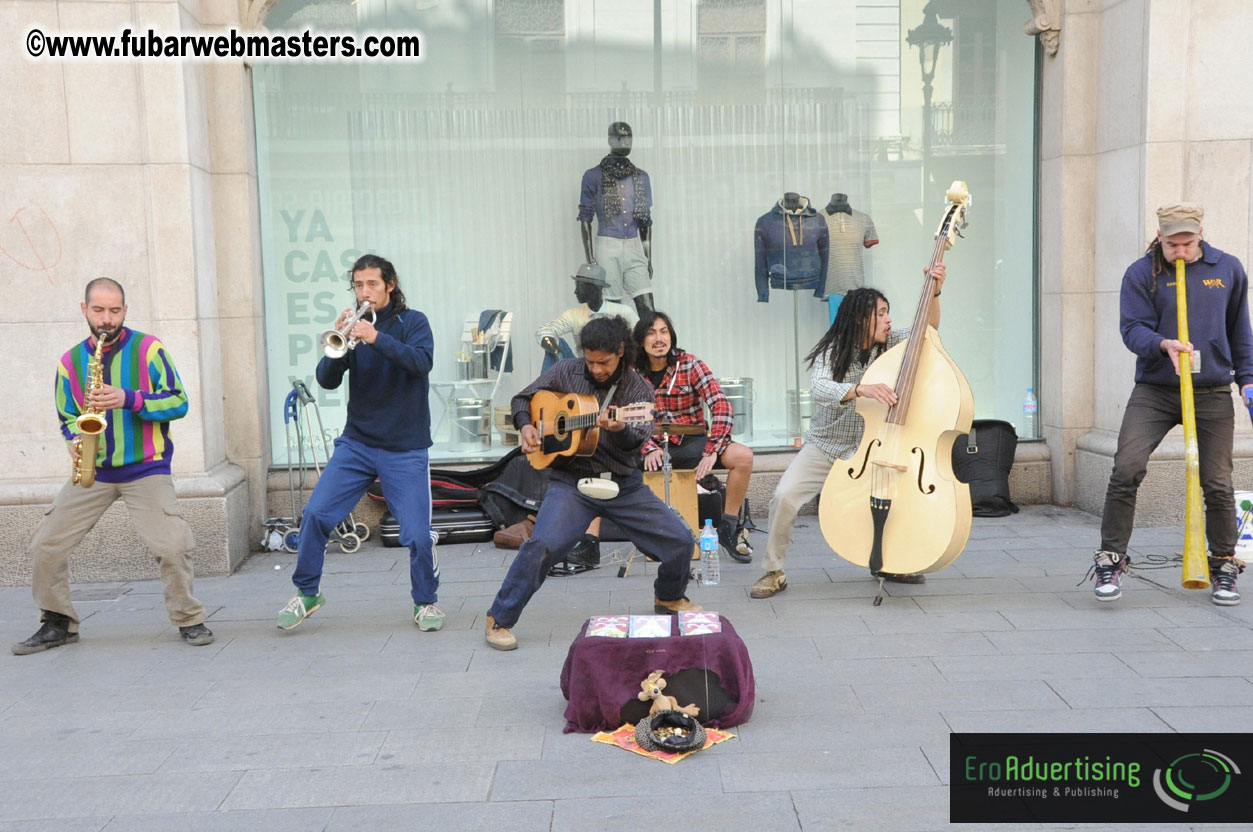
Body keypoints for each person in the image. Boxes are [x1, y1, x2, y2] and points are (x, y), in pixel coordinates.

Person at [13, 278, 214, 654]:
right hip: (95, 469)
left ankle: (189, 618)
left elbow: (179, 402)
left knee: (173, 545)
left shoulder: (149, 349)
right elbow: (66, 417)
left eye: (115, 311)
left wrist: (128, 398)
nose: (107, 319)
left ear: (125, 310)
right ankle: (58, 623)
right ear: (84, 309)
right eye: (99, 310)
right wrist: (75, 440)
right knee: (45, 545)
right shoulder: (69, 363)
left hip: (146, 467)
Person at [484, 316, 700, 651]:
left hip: (623, 485)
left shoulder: (638, 392)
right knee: (543, 545)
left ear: (622, 352)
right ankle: (499, 617)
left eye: (605, 362)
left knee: (681, 541)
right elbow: (522, 400)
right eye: (591, 361)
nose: (597, 369)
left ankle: (669, 597)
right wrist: (526, 426)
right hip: (571, 482)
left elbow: (636, 442)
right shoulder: (567, 370)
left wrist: (620, 429)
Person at [1088, 203, 1253, 606]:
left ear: (1201, 234)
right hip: (1157, 389)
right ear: (1159, 238)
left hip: (1211, 389)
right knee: (1126, 466)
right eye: (1171, 244)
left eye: (1187, 243)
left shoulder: (1227, 269)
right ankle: (1111, 558)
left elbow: (1240, 330)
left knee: (1216, 481)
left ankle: (1224, 564)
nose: (1179, 251)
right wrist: (1163, 344)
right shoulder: (1141, 273)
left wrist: (1247, 381)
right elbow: (1132, 330)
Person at [750, 267, 946, 599]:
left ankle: (890, 562)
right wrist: (861, 389)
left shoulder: (892, 343)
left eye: (887, 312)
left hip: (873, 447)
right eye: (880, 313)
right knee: (785, 496)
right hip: (826, 445)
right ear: (859, 320)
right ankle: (773, 570)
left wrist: (936, 291)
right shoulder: (833, 350)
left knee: (893, 501)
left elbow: (927, 331)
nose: (887, 320)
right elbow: (819, 387)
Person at [276, 254, 442, 631]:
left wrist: (375, 337)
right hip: (358, 444)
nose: (364, 291)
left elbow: (420, 362)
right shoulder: (355, 327)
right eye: (358, 284)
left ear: (390, 285)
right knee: (316, 515)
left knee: (416, 535)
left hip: (405, 447)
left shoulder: (413, 322)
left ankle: (426, 602)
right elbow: (327, 381)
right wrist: (339, 346)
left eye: (372, 284)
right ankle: (307, 593)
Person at [633, 310, 755, 563]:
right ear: (640, 341)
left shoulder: (689, 364)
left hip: (693, 442)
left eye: (664, 331)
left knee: (743, 457)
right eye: (651, 333)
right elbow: (626, 417)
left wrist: (712, 450)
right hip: (650, 444)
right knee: (604, 459)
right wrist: (648, 447)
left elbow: (721, 405)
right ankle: (594, 540)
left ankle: (729, 527)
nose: (659, 339)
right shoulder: (632, 372)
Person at [578, 122, 655, 317]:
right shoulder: (593, 176)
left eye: (629, 137)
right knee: (611, 308)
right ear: (610, 140)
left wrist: (648, 257)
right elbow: (586, 217)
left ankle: (648, 346)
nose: (625, 142)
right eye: (620, 138)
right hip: (607, 244)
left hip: (634, 244)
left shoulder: (641, 177)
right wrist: (590, 260)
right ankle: (615, 347)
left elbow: (645, 221)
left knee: (647, 307)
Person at [536, 263, 639, 370]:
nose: (575, 291)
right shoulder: (573, 315)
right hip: (584, 367)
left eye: (580, 286)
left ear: (595, 288)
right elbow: (545, 331)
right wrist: (557, 351)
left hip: (613, 366)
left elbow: (643, 336)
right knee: (557, 343)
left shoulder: (623, 312)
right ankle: (545, 385)